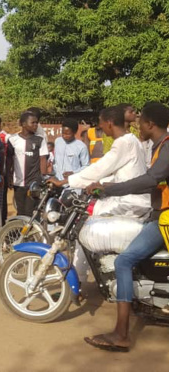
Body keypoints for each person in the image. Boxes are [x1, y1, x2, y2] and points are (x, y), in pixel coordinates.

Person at [83, 102, 169, 352]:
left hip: (163, 218)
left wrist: (110, 189)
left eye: (141, 121)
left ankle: (121, 333)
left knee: (123, 261)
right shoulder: (157, 146)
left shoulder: (166, 146)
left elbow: (151, 180)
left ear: (150, 125)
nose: (136, 124)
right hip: (157, 214)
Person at [49, 106, 150, 218]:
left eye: (101, 123)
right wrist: (100, 183)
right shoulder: (132, 140)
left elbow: (100, 168)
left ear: (109, 123)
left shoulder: (124, 143)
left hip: (129, 201)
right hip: (130, 197)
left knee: (90, 217)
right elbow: (122, 174)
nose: (100, 126)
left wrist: (63, 182)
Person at [6, 111, 49, 216]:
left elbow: (43, 159)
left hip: (33, 183)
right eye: (33, 123)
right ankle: (20, 231)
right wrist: (8, 176)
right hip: (18, 182)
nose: (35, 125)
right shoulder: (12, 139)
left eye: (36, 123)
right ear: (23, 124)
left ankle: (29, 231)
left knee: (30, 211)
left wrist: (42, 179)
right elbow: (9, 160)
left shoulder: (40, 140)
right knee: (20, 210)